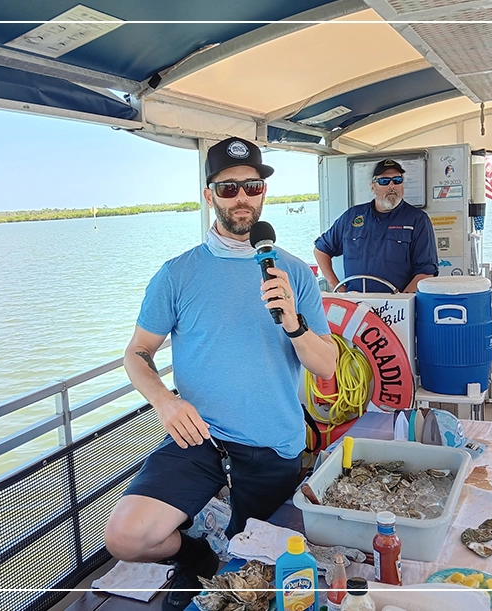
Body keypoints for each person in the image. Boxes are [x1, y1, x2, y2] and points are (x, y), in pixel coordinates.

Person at [104, 136, 338, 611]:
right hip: (200, 440)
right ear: (209, 195)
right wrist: (165, 403)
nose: (241, 198)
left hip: (274, 444)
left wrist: (293, 324)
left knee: (263, 581)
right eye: (227, 189)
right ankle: (200, 557)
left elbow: (327, 364)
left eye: (251, 186)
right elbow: (137, 353)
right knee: (124, 536)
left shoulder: (293, 272)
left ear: (263, 193)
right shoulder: (176, 274)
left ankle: (225, 557)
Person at [313, 158, 438, 293]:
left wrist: (401, 302)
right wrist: (336, 287)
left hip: (397, 307)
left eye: (397, 180)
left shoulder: (418, 220)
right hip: (356, 306)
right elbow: (321, 250)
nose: (392, 186)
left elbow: (426, 272)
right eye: (384, 181)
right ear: (372, 186)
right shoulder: (351, 217)